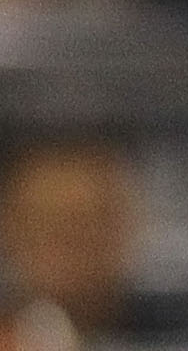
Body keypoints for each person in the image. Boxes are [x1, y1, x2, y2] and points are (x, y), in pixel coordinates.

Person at [0, 135, 136, 338]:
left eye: (88, 225)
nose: (73, 247)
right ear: (12, 233)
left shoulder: (172, 332)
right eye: (52, 227)